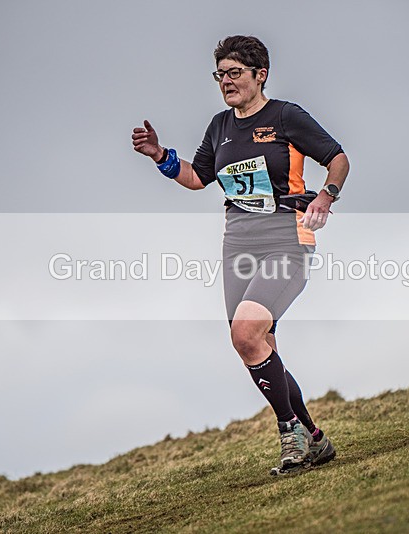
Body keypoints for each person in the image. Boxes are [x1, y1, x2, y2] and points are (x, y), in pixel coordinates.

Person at [131, 35, 349, 475]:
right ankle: (315, 439)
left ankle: (289, 431)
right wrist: (160, 155)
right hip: (238, 243)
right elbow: (198, 177)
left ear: (259, 75)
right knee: (260, 343)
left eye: (234, 74)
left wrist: (326, 196)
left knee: (246, 334)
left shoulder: (286, 116)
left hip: (287, 233)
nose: (226, 82)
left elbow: (338, 158)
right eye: (220, 75)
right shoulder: (219, 127)